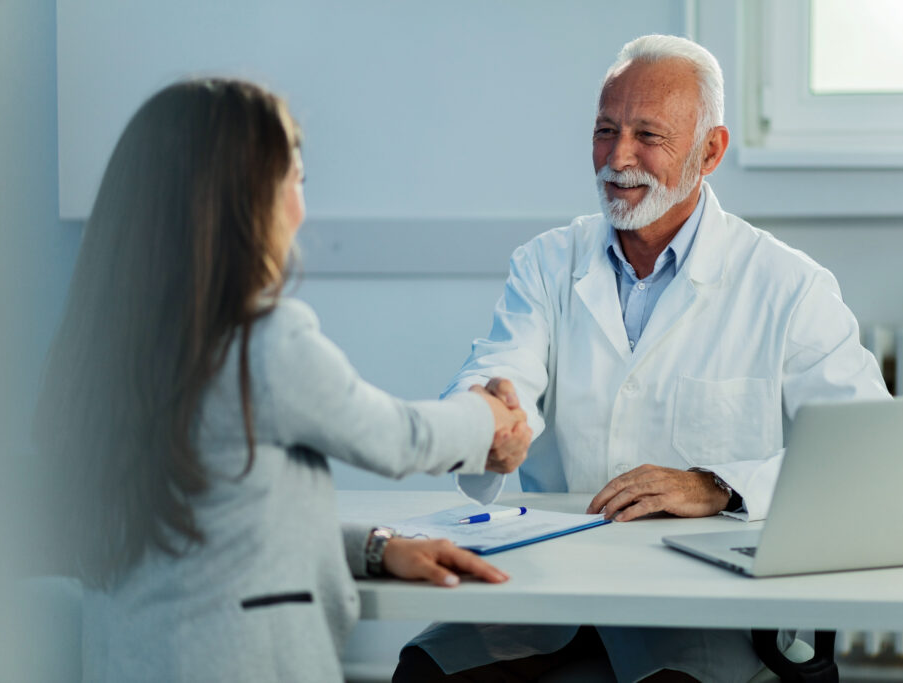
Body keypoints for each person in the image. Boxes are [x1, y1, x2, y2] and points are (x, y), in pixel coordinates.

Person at [394, 34, 890, 683]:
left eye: (647, 135)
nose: (618, 157)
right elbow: (499, 374)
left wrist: (718, 483)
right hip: (550, 594)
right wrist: (487, 422)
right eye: (605, 130)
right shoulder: (547, 264)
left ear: (709, 150)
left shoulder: (788, 286)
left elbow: (867, 455)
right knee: (425, 671)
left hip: (701, 617)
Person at [32, 78, 532, 682]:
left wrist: (373, 549)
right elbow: (399, 438)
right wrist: (491, 418)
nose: (301, 205)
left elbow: (220, 526)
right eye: (295, 177)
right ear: (242, 200)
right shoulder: (262, 343)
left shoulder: (111, 349)